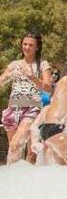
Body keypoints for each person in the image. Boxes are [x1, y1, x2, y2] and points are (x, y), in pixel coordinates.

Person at [1, 33, 53, 163]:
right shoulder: (14, 64)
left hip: (32, 109)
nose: (27, 47)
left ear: (37, 47)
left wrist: (32, 77)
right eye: (25, 44)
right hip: (12, 109)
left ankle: (27, 180)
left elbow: (48, 88)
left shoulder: (42, 64)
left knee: (26, 150)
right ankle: (12, 180)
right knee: (13, 150)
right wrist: (6, 77)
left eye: (31, 45)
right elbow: (1, 81)